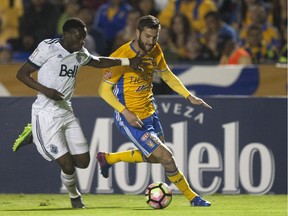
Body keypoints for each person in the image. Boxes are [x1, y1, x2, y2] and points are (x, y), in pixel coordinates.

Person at [13, 17, 146, 209]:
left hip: (66, 110)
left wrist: (127, 62)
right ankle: (75, 198)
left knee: (83, 163)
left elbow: (98, 62)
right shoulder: (47, 48)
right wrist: (46, 91)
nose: (82, 42)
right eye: (78, 37)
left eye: (84, 38)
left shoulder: (79, 52)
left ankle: (35, 134)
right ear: (66, 34)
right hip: (45, 114)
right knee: (67, 165)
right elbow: (22, 73)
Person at [97, 15, 212, 207]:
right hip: (130, 118)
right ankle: (193, 198)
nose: (151, 42)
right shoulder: (121, 56)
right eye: (148, 36)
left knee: (154, 157)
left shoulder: (155, 50)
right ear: (137, 33)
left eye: (155, 37)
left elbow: (166, 75)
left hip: (150, 113)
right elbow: (103, 90)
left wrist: (188, 96)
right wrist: (125, 112)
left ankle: (108, 158)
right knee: (167, 157)